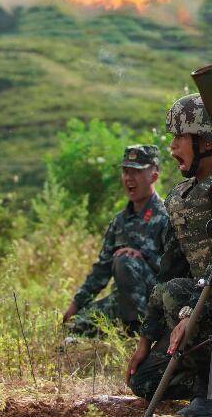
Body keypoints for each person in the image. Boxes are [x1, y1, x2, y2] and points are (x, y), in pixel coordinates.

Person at [126, 94, 212, 416]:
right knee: (145, 381)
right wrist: (147, 336)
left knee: (174, 293)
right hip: (196, 305)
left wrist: (187, 314)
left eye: (180, 138)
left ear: (208, 141)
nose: (172, 148)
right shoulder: (181, 195)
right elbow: (169, 269)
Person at [63, 144, 169, 336]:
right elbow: (102, 268)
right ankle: (126, 328)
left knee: (125, 260)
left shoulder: (167, 217)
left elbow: (177, 270)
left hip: (157, 301)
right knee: (76, 326)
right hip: (123, 299)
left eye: (136, 172)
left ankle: (139, 333)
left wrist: (143, 257)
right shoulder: (119, 221)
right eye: (125, 172)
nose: (129, 178)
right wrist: (76, 304)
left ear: (154, 176)